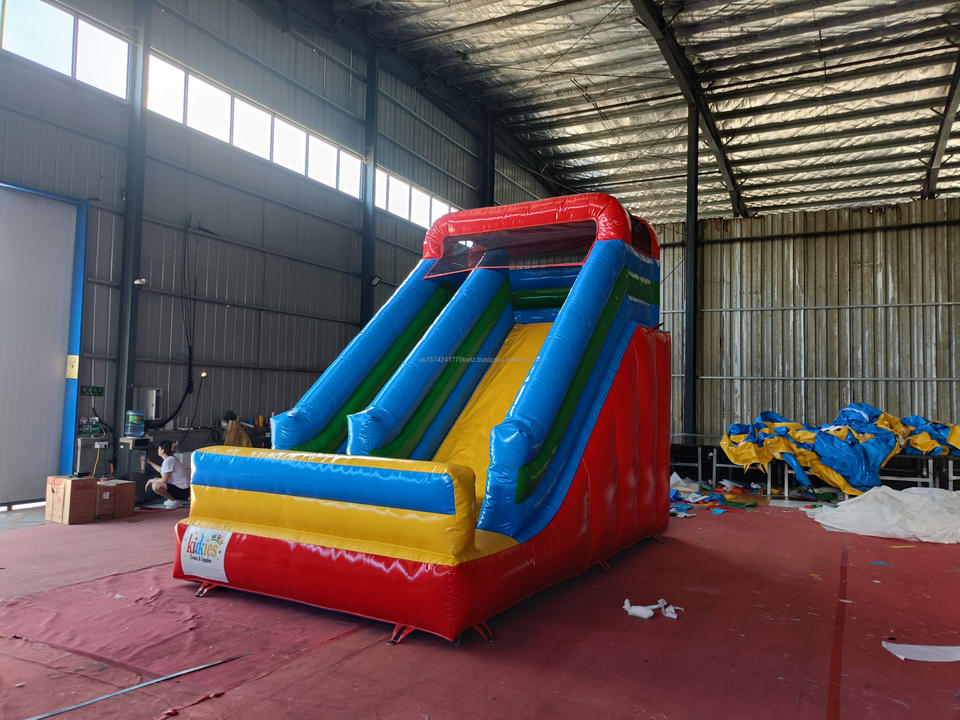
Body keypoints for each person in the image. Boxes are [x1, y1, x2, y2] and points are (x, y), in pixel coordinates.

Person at [144, 440, 191, 509]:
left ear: (162, 450)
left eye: (159, 448)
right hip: (183, 489)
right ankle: (173, 499)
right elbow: (161, 470)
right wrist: (150, 462)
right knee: (155, 480)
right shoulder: (170, 459)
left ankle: (175, 501)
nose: (158, 450)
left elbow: (164, 480)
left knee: (156, 486)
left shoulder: (168, 461)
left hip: (183, 491)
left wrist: (150, 481)